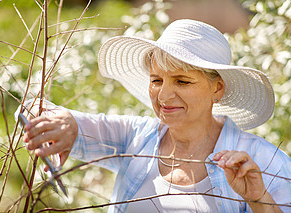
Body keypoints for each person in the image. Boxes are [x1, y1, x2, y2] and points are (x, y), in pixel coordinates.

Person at [18, 19, 291, 212]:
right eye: (156, 80)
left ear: (217, 88)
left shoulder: (267, 162)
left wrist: (259, 200)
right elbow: (32, 109)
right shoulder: (136, 137)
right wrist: (63, 123)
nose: (163, 96)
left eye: (182, 81)